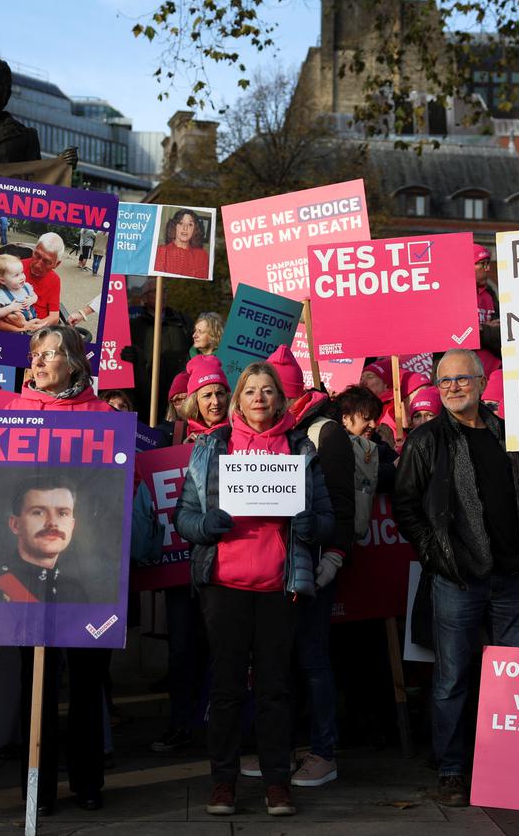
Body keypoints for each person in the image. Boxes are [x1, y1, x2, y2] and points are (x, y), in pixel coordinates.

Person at [392, 349, 519, 807]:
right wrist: (436, 554)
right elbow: (405, 505)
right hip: (457, 580)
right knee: (452, 678)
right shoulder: (426, 441)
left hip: (512, 577)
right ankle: (451, 769)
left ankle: (512, 765)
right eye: (444, 382)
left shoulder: (510, 435)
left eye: (461, 380)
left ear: (483, 383)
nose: (452, 389)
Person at [174, 361, 335, 818]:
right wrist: (205, 525)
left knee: (274, 689)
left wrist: (308, 523)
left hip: (278, 586)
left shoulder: (301, 449)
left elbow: (327, 520)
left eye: (268, 391)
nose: (259, 398)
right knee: (225, 690)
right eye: (250, 391)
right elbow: (183, 517)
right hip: (223, 587)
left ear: (280, 400)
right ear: (237, 400)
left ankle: (277, 785)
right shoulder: (211, 448)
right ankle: (223, 784)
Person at [3, 325, 113, 814]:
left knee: (88, 681)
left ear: (75, 362)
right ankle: (38, 787)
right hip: (28, 576)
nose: (40, 362)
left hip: (90, 573)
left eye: (51, 354)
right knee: (37, 683)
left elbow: (120, 490)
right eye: (35, 354)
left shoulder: (104, 416)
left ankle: (88, 781)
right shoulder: (13, 413)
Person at [269, 344, 357, 789]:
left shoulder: (325, 433)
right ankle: (281, 750)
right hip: (273, 569)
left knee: (313, 660)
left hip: (315, 567)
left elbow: (341, 504)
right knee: (279, 663)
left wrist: (336, 557)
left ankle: (323, 752)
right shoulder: (272, 431)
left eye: (273, 394)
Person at [149, 356, 229, 755]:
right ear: (192, 399)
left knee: (222, 646)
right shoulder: (172, 435)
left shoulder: (238, 435)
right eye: (206, 394)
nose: (214, 401)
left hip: (225, 563)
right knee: (181, 647)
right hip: (180, 564)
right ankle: (180, 722)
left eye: (219, 393)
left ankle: (219, 722)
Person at [0, 478, 114, 603]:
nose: (52, 523)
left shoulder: (74, 591)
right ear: (15, 525)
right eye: (38, 512)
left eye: (62, 513)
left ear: (72, 525)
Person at [127, 278, 193, 426]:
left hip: (176, 392)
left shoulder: (182, 322)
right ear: (144, 298)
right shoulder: (134, 327)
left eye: (164, 290)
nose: (162, 294)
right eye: (155, 291)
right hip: (146, 394)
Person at [154, 209, 210, 279]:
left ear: (195, 229)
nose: (185, 228)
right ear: (174, 226)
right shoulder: (160, 251)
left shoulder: (202, 255)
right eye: (181, 223)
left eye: (190, 224)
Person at [0, 254, 37, 323]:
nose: (22, 277)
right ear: (2, 281)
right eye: (16, 275)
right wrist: (9, 308)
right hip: (12, 328)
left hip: (31, 322)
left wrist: (31, 300)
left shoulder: (26, 287)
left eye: (22, 272)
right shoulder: (0, 295)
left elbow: (35, 296)